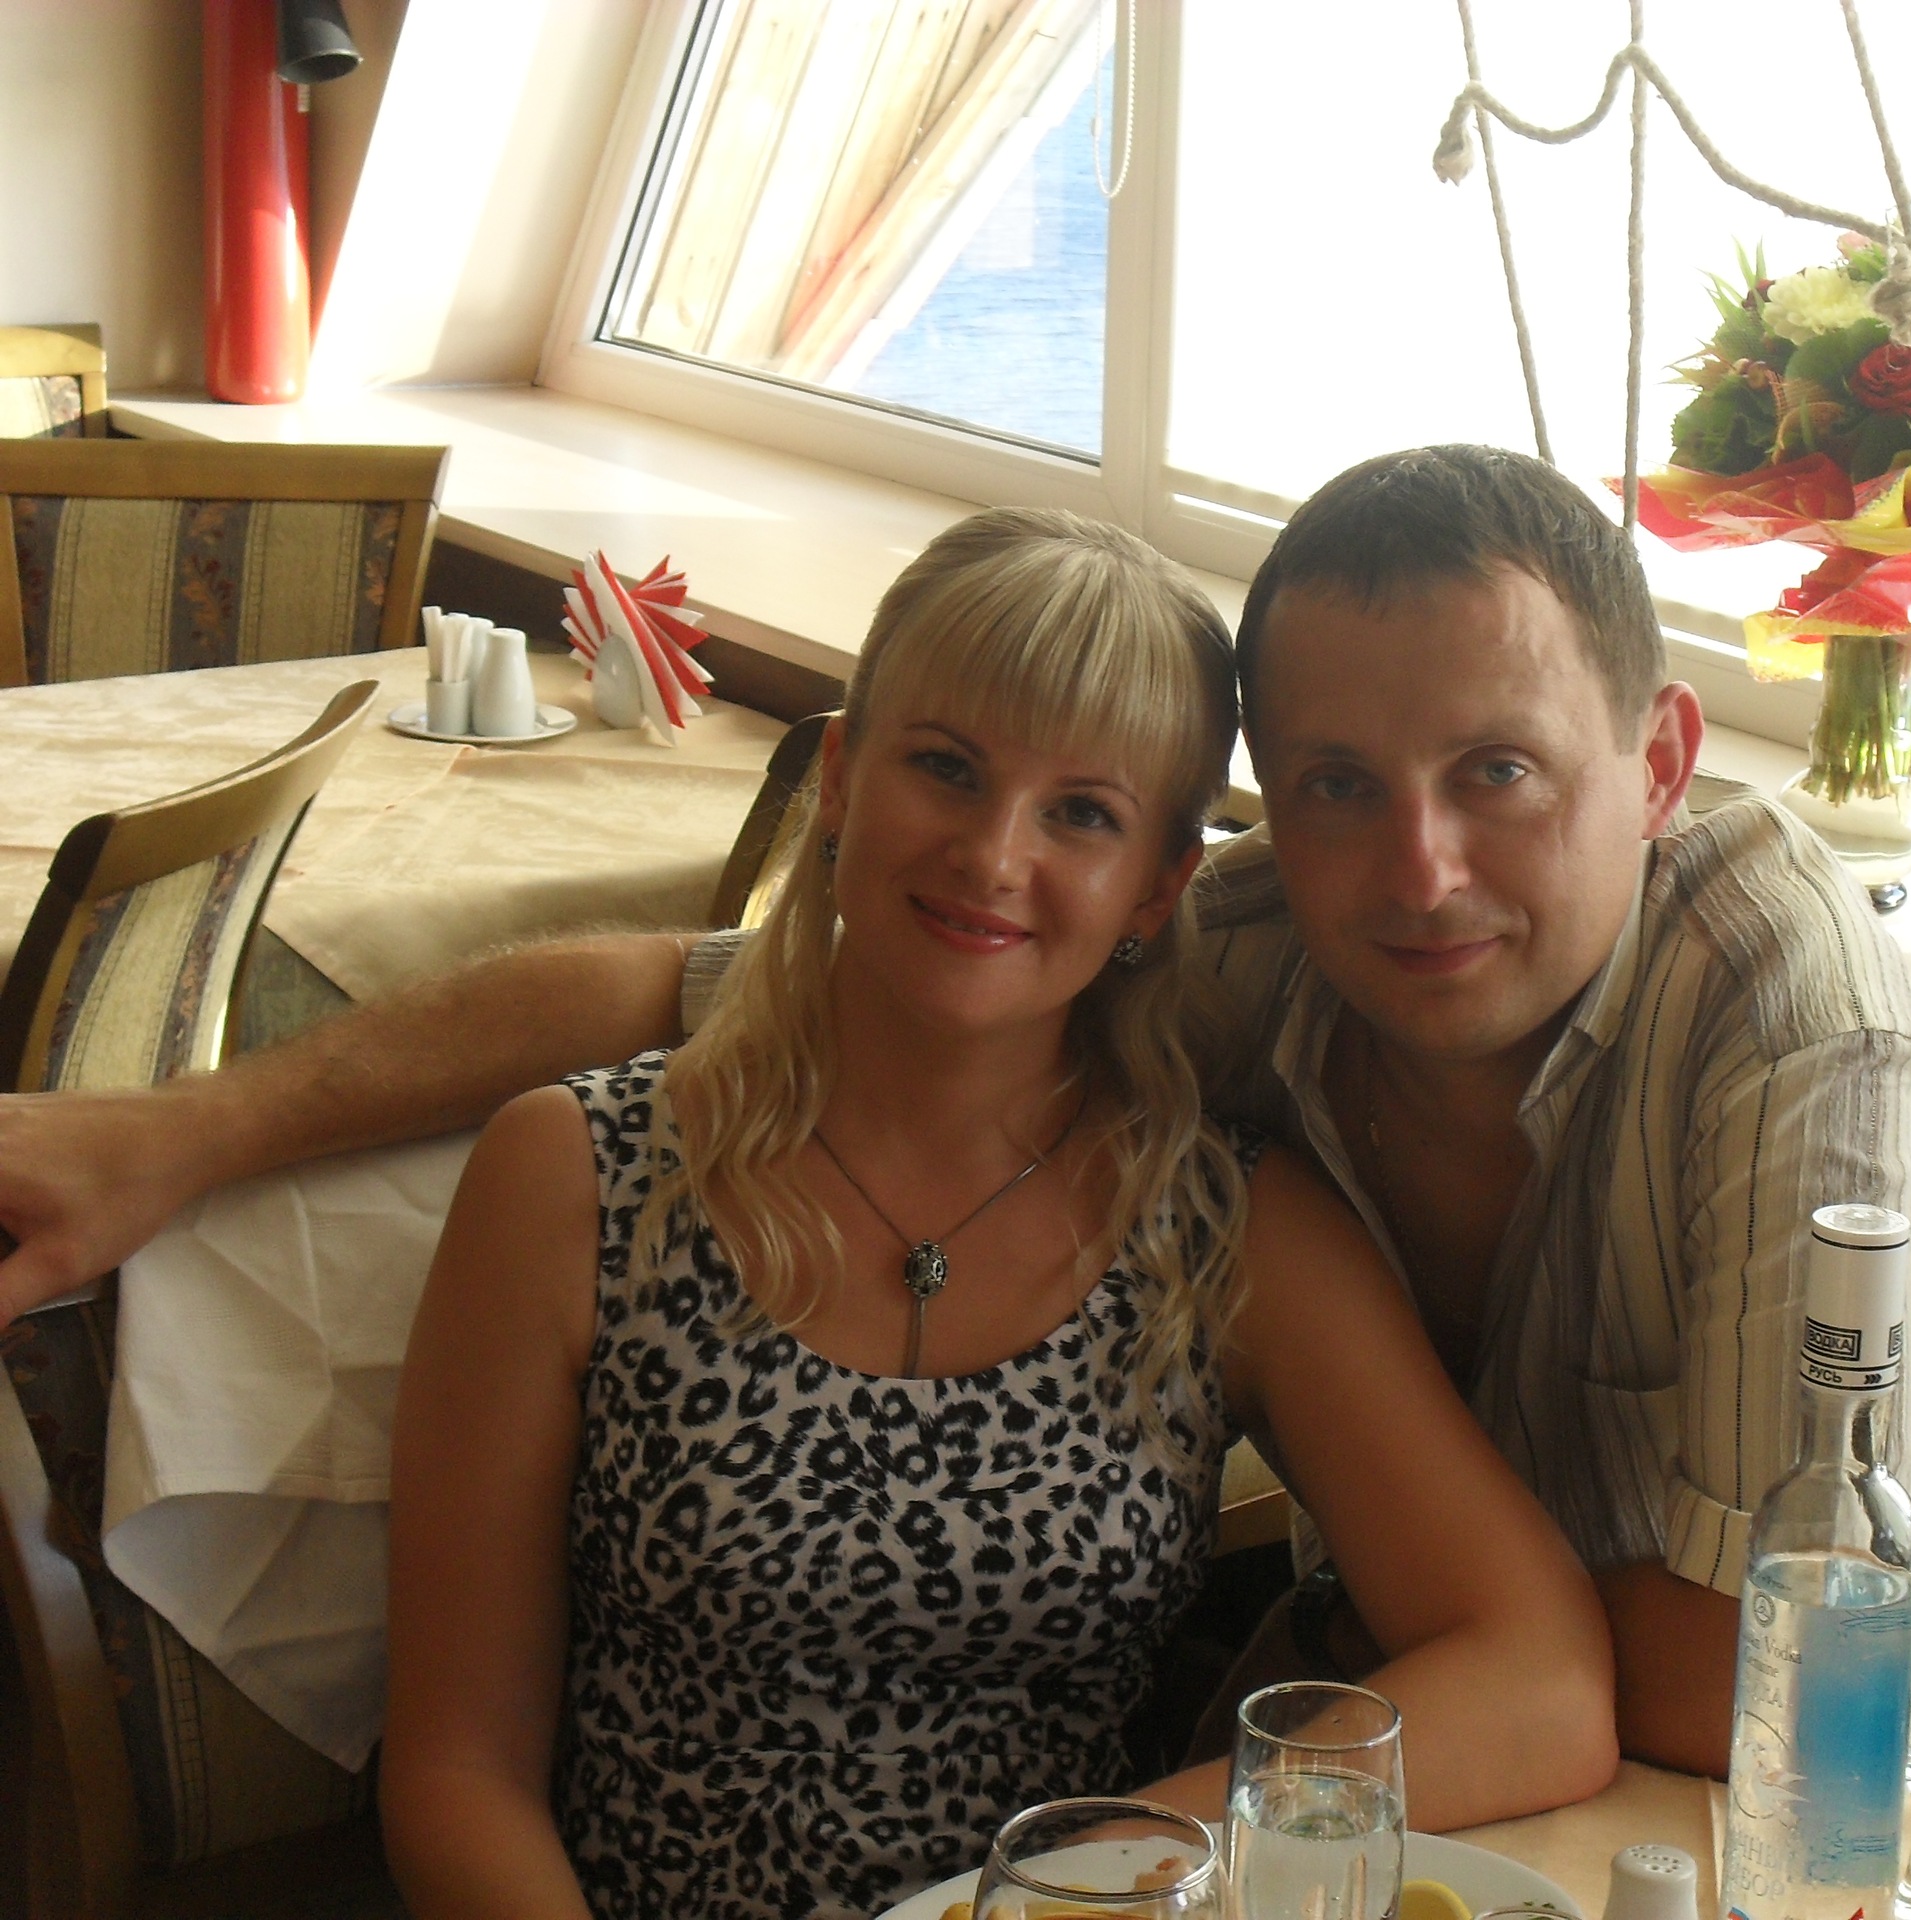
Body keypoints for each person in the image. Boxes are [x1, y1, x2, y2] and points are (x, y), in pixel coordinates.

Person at [0, 445, 1911, 1779]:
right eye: (1339, 784)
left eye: (1499, 774)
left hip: (1786, 1800)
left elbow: (1750, 1693)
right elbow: (699, 988)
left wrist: (1138, 1846)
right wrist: (181, 1132)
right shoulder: (1241, 945)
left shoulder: (1789, 1037)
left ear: (1660, 762)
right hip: (1377, 1753)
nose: (1417, 869)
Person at [379, 507, 1615, 1920]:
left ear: (1159, 887)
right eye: (947, 769)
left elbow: (1544, 1680)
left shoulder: (1224, 1224)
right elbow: (456, 1774)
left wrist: (1085, 1877)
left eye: (1081, 814)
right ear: (840, 778)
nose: (991, 854)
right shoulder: (574, 1176)